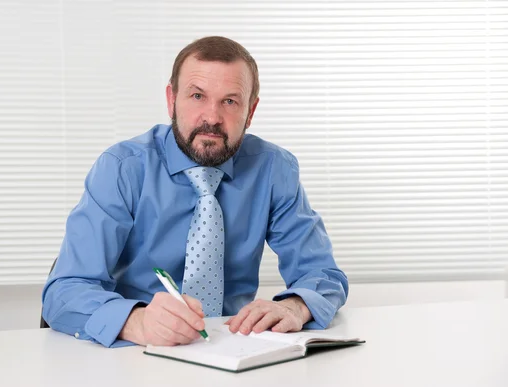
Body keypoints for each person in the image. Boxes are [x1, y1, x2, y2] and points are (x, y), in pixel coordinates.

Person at [42, 36, 348, 348]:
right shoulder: (122, 169)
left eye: (229, 101)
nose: (212, 118)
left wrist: (294, 305)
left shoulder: (274, 170)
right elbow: (64, 291)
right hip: (134, 354)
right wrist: (136, 322)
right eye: (198, 96)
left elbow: (323, 274)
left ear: (251, 110)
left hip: (231, 350)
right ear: (171, 99)